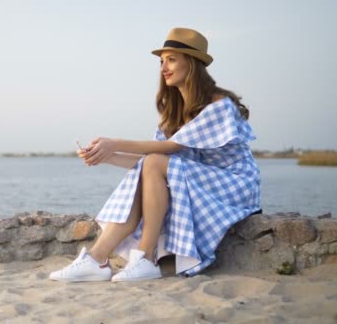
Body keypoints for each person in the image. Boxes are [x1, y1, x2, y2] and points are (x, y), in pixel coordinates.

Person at [49, 27, 261, 282]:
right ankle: (97, 259)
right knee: (148, 166)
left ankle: (146, 258)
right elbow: (149, 164)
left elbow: (168, 151)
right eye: (162, 61)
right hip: (198, 181)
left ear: (192, 63)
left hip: (234, 184)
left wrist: (114, 142)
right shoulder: (174, 114)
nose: (164, 67)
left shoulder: (219, 106)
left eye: (171, 59)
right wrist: (106, 155)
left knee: (154, 160)